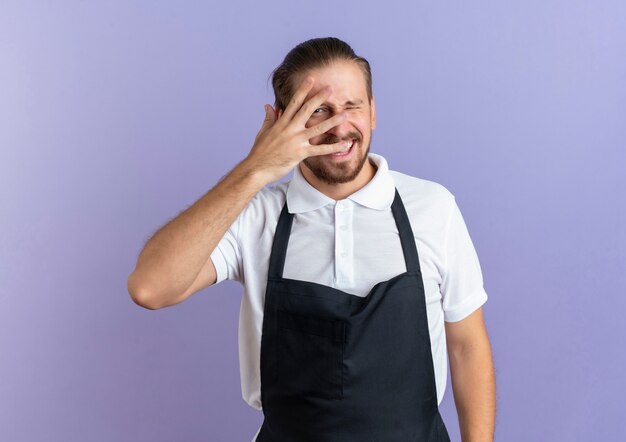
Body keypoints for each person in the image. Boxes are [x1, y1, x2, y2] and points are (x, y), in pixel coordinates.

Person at [128, 37, 496, 442]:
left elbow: (466, 347)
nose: (339, 126)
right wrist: (255, 169)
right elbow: (150, 288)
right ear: (281, 122)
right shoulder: (256, 215)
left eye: (352, 106)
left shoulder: (432, 208)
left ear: (372, 112)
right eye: (318, 111)